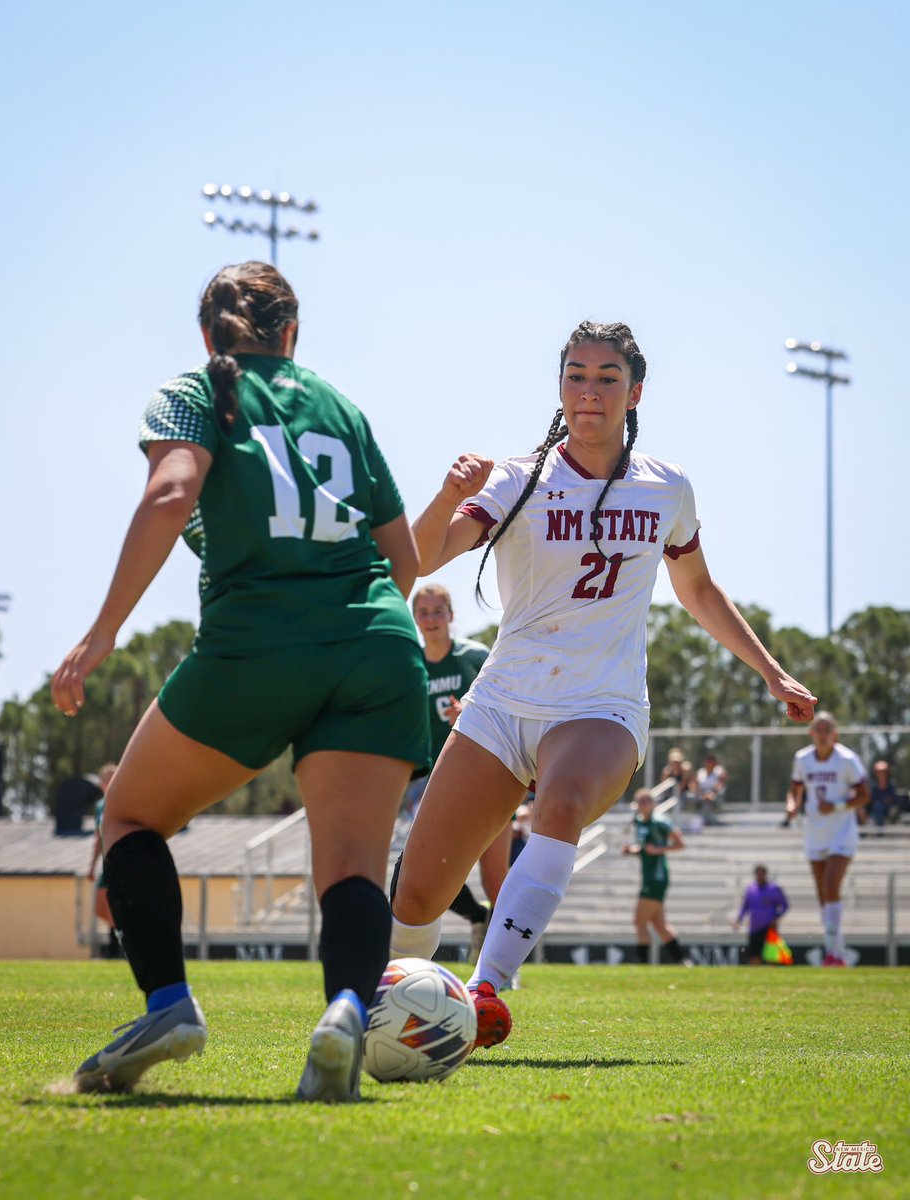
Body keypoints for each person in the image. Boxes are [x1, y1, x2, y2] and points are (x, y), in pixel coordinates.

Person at [51, 260, 429, 1101]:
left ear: (206, 334)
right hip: (376, 642)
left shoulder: (194, 389)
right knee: (353, 870)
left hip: (255, 644)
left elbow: (169, 493)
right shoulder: (340, 405)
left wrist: (101, 631)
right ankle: (341, 1012)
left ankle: (169, 1006)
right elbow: (403, 561)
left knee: (132, 817)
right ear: (292, 333)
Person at [388, 320, 817, 1046]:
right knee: (417, 898)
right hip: (501, 702)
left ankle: (488, 989)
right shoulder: (514, 477)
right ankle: (393, 1013)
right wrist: (444, 493)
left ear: (635, 391)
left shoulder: (667, 487)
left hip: (601, 706)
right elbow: (427, 556)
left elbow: (699, 589)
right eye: (576, 375)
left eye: (607, 377)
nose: (590, 391)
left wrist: (771, 669)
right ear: (559, 387)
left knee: (560, 803)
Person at [406, 583, 507, 961]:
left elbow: (505, 705)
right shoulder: (410, 663)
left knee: (495, 874)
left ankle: (500, 963)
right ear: (415, 618)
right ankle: (476, 918)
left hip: (488, 775)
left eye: (437, 611)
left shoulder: (473, 656)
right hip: (433, 783)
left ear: (450, 615)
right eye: (423, 612)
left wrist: (470, 715)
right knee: (430, 873)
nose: (431, 620)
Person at [788, 712, 868, 967]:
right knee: (823, 893)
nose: (822, 735)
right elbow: (795, 789)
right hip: (815, 831)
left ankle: (833, 953)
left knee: (831, 885)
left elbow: (864, 795)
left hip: (842, 831)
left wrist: (837, 806)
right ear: (811, 733)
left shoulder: (847, 759)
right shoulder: (802, 758)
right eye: (818, 730)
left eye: (827, 730)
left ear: (835, 734)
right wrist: (791, 806)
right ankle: (836, 951)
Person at [622, 788, 690, 964]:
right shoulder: (639, 823)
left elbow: (680, 843)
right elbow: (645, 847)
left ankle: (642, 962)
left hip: (657, 877)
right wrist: (632, 851)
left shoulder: (660, 821)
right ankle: (682, 961)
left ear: (653, 803)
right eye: (641, 801)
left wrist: (659, 850)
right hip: (648, 876)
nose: (644, 804)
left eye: (647, 801)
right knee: (660, 926)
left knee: (639, 920)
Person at [87, 762, 120, 954]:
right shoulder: (100, 806)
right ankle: (121, 935)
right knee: (100, 908)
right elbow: (98, 838)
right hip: (106, 862)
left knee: (115, 904)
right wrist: (91, 866)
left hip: (121, 858)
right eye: (106, 778)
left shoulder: (123, 800)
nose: (109, 781)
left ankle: (116, 950)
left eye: (113, 777)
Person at [732, 864, 789, 965]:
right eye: (758, 874)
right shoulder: (750, 889)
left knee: (771, 955)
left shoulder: (774, 889)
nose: (760, 876)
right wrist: (738, 920)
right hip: (754, 927)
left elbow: (784, 905)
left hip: (769, 927)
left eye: (762, 874)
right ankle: (754, 977)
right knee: (754, 955)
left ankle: (772, 977)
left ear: (766, 875)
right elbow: (745, 907)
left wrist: (776, 917)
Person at [694, 750, 728, 825]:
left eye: (711, 762)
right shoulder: (700, 772)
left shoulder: (719, 771)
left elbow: (720, 783)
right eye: (708, 762)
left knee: (708, 802)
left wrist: (712, 793)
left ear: (715, 763)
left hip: (715, 795)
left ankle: (706, 823)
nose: (709, 764)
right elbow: (696, 785)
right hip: (701, 795)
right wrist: (703, 795)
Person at [868, 760, 899, 831]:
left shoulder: (891, 786)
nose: (881, 774)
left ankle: (880, 832)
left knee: (879, 806)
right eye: (879, 772)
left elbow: (892, 800)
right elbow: (871, 801)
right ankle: (880, 832)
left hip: (889, 811)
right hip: (876, 812)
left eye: (883, 772)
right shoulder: (874, 787)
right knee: (877, 806)